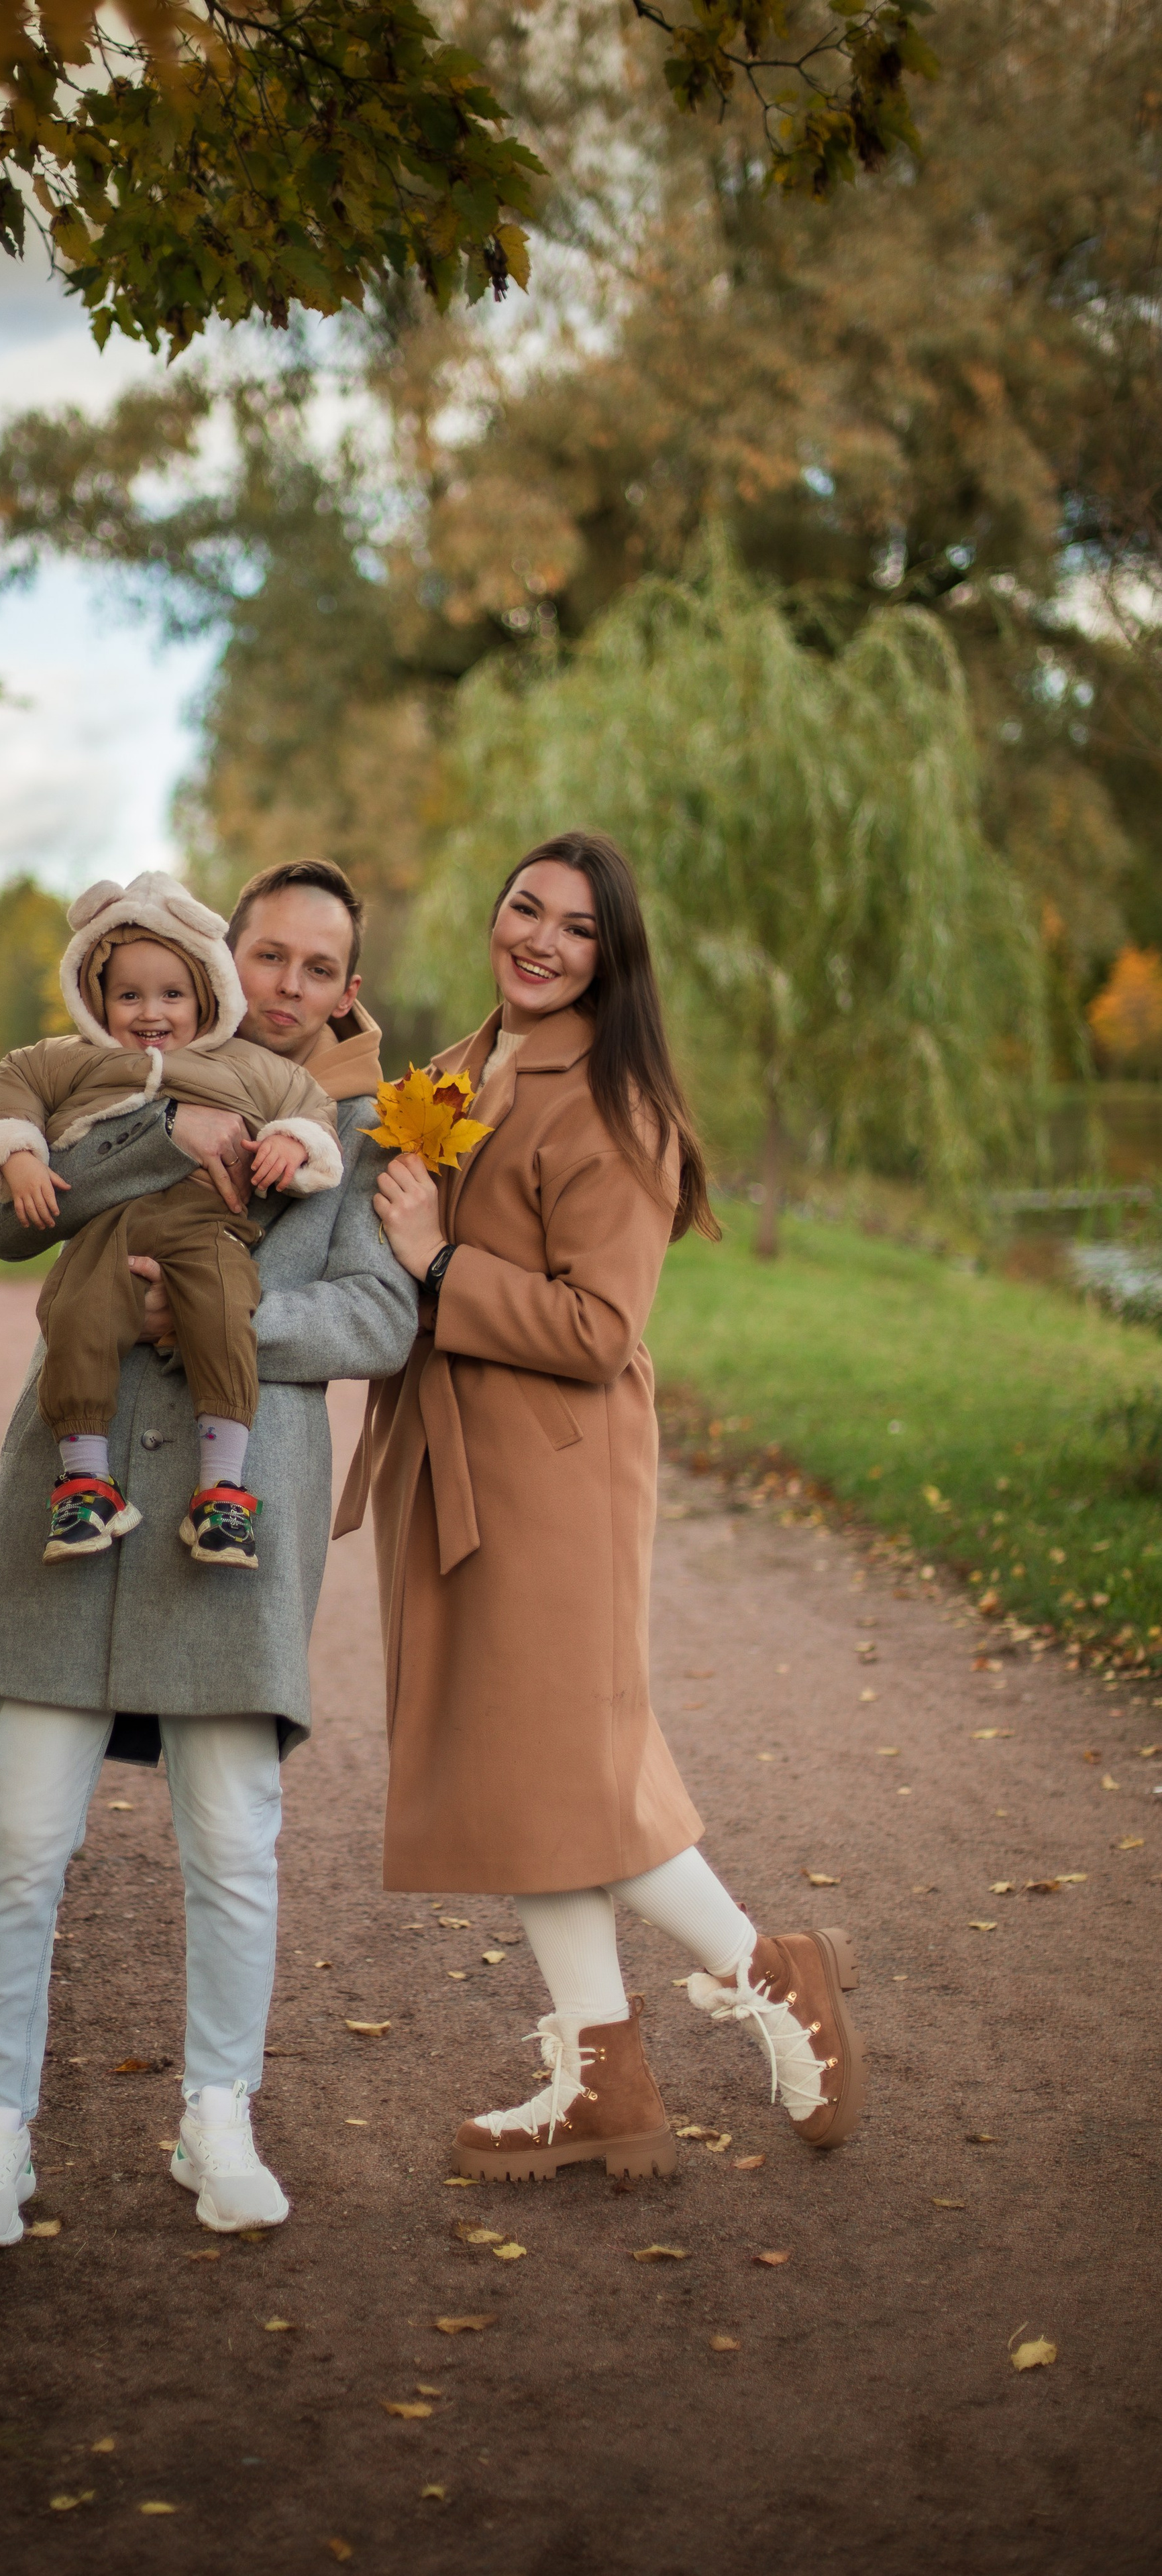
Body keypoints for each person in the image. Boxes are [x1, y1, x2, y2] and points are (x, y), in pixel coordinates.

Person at [339, 829, 865, 2182]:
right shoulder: (458, 1069)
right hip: (451, 1467)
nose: (537, 939)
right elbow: (371, 1133)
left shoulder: (614, 1107)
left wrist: (436, 1260)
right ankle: (604, 2075)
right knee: (525, 1784)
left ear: (607, 958)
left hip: (551, 1479)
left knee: (565, 1773)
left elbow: (594, 1327)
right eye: (523, 907)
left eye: (573, 928)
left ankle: (770, 1973)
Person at [0, 858, 417, 2244]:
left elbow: (380, 1320)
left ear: (344, 990)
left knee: (231, 1836)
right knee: (19, 1823)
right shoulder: (108, 1066)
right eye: (269, 956)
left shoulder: (358, 1130)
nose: (289, 988)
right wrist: (160, 1131)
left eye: (320, 970)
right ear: (223, 954)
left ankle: (218, 2116)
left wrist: (214, 1331)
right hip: (65, 1503)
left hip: (231, 1504)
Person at [0, 871, 343, 1570]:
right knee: (73, 1308)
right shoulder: (72, 1061)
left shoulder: (249, 1067)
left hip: (206, 1226)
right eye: (128, 995)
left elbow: (307, 1105)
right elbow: (15, 1090)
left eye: (172, 995)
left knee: (225, 1303)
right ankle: (82, 1480)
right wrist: (18, 1152)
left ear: (205, 993)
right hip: (108, 1231)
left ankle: (223, 1490)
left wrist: (293, 1142)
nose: (150, 1013)